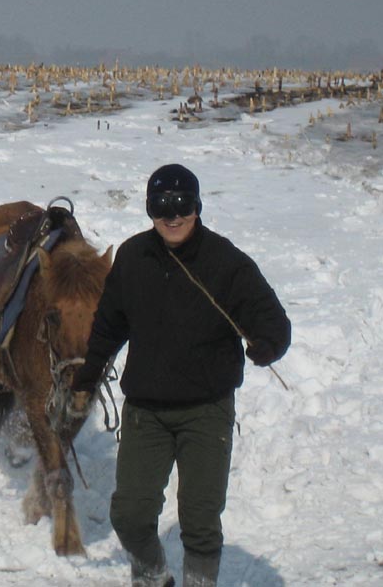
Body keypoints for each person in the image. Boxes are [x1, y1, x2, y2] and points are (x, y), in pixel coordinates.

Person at [72, 164, 291, 587]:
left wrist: (267, 345)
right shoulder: (134, 258)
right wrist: (88, 374)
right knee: (130, 515)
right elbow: (109, 325)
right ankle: (153, 576)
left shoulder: (227, 262)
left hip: (206, 411)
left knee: (200, 518)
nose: (172, 216)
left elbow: (273, 322)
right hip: (146, 412)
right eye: (161, 206)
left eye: (182, 205)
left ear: (197, 207)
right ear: (150, 210)